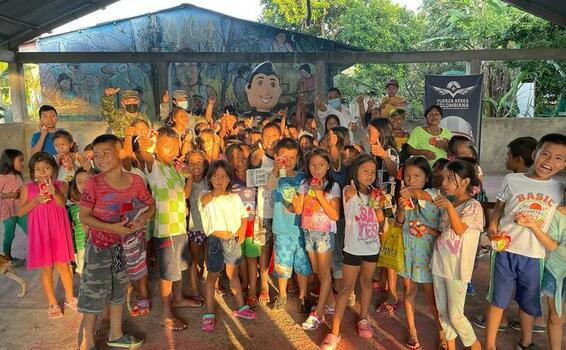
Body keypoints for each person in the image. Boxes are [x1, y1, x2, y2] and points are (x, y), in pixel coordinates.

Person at [485, 133, 565, 350]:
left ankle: (526, 342)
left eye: (558, 158)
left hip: (535, 255)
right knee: (498, 299)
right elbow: (498, 210)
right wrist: (492, 226)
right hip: (504, 251)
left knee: (529, 303)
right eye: (545, 154)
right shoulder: (512, 180)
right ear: (534, 153)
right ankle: (490, 345)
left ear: (564, 164)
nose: (549, 161)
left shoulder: (559, 189)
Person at [137, 126, 201, 331]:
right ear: (157, 147)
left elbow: (184, 194)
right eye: (166, 146)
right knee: (167, 273)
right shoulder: (154, 166)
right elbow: (143, 154)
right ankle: (166, 313)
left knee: (180, 267)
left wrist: (189, 176)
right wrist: (143, 144)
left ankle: (179, 298)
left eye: (175, 146)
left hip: (179, 228)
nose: (172, 150)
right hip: (165, 230)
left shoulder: (175, 168)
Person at [320, 154, 385, 349]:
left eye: (373, 172)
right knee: (346, 289)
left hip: (372, 246)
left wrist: (379, 203)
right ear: (355, 171)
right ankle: (335, 331)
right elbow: (348, 197)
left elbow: (380, 218)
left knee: (366, 283)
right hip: (353, 248)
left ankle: (363, 318)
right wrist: (354, 190)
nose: (370, 175)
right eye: (365, 171)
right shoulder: (349, 190)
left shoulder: (376, 193)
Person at [431, 159, 484, 350]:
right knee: (443, 312)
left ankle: (475, 345)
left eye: (450, 178)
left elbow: (460, 229)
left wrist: (449, 207)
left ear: (465, 182)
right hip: (440, 264)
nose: (444, 183)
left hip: (457, 269)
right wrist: (426, 230)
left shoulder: (473, 206)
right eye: (444, 178)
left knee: (455, 315)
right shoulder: (451, 204)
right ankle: (450, 347)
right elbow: (443, 233)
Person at [16, 152, 75, 319]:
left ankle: (70, 298)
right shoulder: (28, 188)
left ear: (54, 169)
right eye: (37, 170)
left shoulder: (61, 185)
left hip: (58, 231)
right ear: (32, 173)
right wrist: (35, 201)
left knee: (64, 266)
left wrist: (53, 191)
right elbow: (20, 212)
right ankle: (52, 303)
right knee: (46, 268)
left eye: (46, 168)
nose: (42, 173)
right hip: (41, 233)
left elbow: (62, 203)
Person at [199, 160, 256, 332]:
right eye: (215, 176)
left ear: (229, 179)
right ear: (210, 179)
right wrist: (216, 192)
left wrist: (241, 231)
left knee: (233, 274)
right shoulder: (205, 195)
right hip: (215, 241)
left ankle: (241, 307)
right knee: (212, 276)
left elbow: (243, 216)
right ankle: (209, 313)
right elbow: (204, 200)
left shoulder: (234, 197)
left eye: (223, 176)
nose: (219, 179)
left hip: (232, 240)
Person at [396, 156, 444, 350]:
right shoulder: (404, 197)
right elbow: (399, 224)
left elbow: (441, 230)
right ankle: (412, 331)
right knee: (409, 291)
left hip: (427, 253)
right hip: (408, 249)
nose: (411, 180)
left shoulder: (434, 195)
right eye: (408, 176)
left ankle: (443, 334)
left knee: (433, 298)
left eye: (417, 176)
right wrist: (400, 208)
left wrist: (413, 193)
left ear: (427, 178)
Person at [293, 148, 341, 330]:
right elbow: (298, 209)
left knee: (325, 273)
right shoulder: (304, 184)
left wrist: (320, 194)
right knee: (318, 271)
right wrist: (295, 203)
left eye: (321, 165)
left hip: (324, 233)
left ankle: (319, 314)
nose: (317, 169)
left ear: (328, 166)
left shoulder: (332, 186)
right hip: (308, 232)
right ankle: (330, 304)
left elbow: (335, 215)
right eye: (313, 165)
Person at [266, 137, 312, 310]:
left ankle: (303, 295)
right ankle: (282, 294)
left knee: (302, 264)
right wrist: (276, 170)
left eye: (293, 157)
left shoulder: (302, 177)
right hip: (282, 230)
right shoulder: (276, 176)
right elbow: (269, 185)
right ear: (276, 157)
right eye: (284, 157)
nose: (289, 161)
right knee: (282, 264)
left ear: (298, 158)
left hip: (301, 229)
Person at [516, 197, 565, 350]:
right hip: (556, 271)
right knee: (556, 316)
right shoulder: (558, 214)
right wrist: (532, 225)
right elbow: (552, 244)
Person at [250, 122, 281, 304]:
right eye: (266, 136)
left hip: (283, 213)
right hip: (264, 210)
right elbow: (253, 163)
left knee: (282, 247)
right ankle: (263, 284)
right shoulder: (260, 156)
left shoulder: (285, 156)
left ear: (281, 135)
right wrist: (256, 156)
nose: (270, 140)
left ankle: (286, 282)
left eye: (274, 136)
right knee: (264, 248)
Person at [226, 144, 260, 306]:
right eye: (236, 158)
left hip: (254, 222)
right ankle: (244, 283)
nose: (241, 161)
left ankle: (253, 290)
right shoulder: (228, 178)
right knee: (239, 257)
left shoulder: (256, 174)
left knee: (252, 257)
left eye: (244, 157)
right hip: (235, 224)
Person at [185, 149, 209, 302]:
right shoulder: (186, 180)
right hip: (195, 226)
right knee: (194, 259)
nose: (195, 166)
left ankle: (208, 276)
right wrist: (189, 179)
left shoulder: (209, 179)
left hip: (210, 225)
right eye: (191, 163)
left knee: (209, 255)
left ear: (205, 163)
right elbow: (185, 196)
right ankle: (194, 287)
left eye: (198, 162)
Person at [0, 149, 27, 265]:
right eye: (20, 161)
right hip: (8, 211)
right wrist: (10, 195)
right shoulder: (2, 177)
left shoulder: (19, 176)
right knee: (10, 234)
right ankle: (7, 258)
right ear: (10, 161)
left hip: (21, 209)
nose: (22, 164)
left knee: (30, 228)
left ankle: (40, 253)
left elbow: (23, 191)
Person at [68, 168, 89, 275]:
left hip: (100, 245)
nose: (83, 184)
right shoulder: (72, 209)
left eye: (87, 180)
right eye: (79, 182)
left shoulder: (101, 205)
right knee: (83, 273)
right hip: (81, 246)